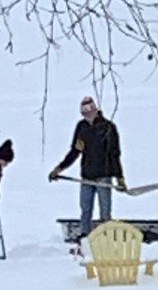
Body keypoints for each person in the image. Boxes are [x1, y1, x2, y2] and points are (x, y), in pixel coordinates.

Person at [48, 96, 126, 238]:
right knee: (85, 209)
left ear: (96, 111)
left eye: (90, 113)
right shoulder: (81, 128)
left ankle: (106, 238)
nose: (88, 116)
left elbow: (115, 154)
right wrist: (59, 169)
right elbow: (75, 151)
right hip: (87, 177)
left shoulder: (108, 127)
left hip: (104, 175)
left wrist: (119, 177)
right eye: (84, 114)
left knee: (105, 212)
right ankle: (85, 237)